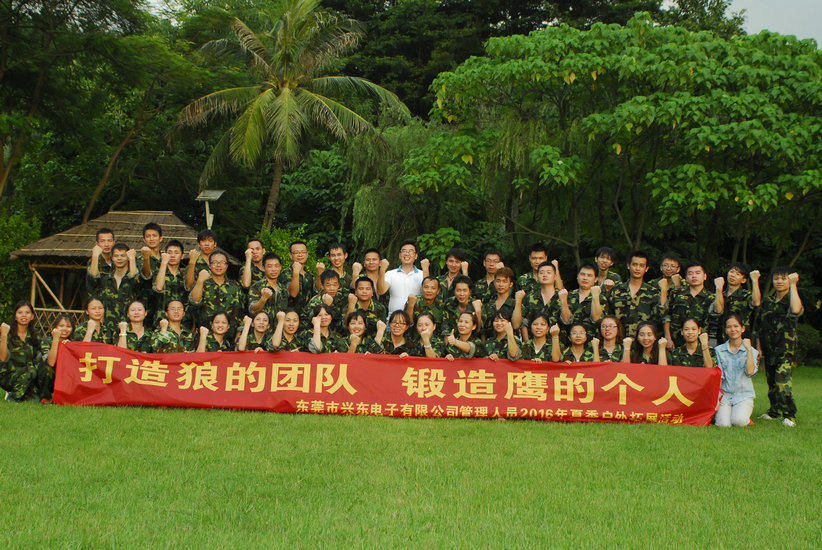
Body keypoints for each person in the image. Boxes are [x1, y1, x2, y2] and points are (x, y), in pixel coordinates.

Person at [756, 267, 803, 427]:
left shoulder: (792, 298)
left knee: (782, 381)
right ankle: (774, 411)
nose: (779, 281)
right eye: (776, 278)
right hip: (769, 349)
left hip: (786, 350)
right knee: (771, 383)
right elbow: (759, 326)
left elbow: (796, 310)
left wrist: (794, 285)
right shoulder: (767, 301)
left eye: (783, 278)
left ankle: (790, 415)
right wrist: (759, 347)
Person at [608, 250, 669, 339]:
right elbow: (609, 316)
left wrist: (663, 291)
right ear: (628, 266)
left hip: (643, 341)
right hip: (619, 340)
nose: (637, 268)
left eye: (641, 266)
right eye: (634, 265)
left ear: (646, 268)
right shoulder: (617, 290)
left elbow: (659, 316)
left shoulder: (652, 292)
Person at [0, 301, 50, 401]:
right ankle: (12, 397)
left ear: (32, 316)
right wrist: (3, 336)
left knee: (35, 400)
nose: (24, 315)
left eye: (27, 312)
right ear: (15, 316)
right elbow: (3, 358)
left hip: (29, 376)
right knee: (31, 370)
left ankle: (28, 392)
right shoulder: (8, 333)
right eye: (20, 312)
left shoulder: (36, 335)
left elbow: (47, 357)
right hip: (8, 376)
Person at [714, 314, 758, 427]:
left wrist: (748, 350)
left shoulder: (752, 351)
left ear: (742, 328)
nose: (733, 329)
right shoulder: (719, 350)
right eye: (729, 327)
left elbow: (750, 372)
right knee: (723, 425)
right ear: (726, 330)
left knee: (738, 421)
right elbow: (719, 376)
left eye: (736, 326)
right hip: (725, 394)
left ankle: (746, 419)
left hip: (744, 395)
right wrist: (716, 398)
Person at [188, 250, 245, 335]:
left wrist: (238, 334)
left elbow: (241, 312)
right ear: (210, 265)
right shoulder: (202, 283)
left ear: (227, 265)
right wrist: (200, 281)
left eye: (222, 262)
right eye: (214, 262)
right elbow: (194, 301)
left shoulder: (235, 286)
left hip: (230, 336)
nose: (218, 265)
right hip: (206, 336)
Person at [88, 242, 140, 330]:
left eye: (123, 255)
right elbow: (92, 279)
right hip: (107, 328)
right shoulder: (105, 280)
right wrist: (95, 256)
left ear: (127, 257)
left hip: (130, 329)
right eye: (116, 256)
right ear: (112, 258)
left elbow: (136, 282)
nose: (119, 258)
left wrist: (132, 259)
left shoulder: (131, 278)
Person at [518, 262, 570, 341]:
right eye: (541, 273)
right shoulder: (529, 297)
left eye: (548, 272)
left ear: (555, 276)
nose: (545, 275)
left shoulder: (563, 295)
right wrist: (527, 342)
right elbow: (523, 321)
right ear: (537, 276)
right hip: (534, 343)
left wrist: (563, 301)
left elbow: (567, 320)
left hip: (558, 343)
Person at [713, 263, 760, 344]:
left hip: (742, 340)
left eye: (738, 274)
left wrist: (755, 281)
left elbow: (756, 302)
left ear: (743, 280)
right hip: (722, 339)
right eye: (731, 272)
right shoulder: (720, 294)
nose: (733, 275)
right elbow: (718, 310)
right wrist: (718, 289)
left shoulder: (746, 295)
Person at [379, 239, 424, 315]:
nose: (407, 254)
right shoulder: (390, 274)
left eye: (410, 251)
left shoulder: (422, 274)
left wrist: (426, 270)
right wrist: (382, 270)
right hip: (394, 317)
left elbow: (426, 293)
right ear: (400, 255)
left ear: (416, 256)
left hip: (415, 317)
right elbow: (381, 291)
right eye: (404, 251)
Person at [153, 240, 188, 325]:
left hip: (182, 322)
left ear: (182, 256)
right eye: (169, 252)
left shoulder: (184, 275)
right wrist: (164, 263)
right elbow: (159, 287)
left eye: (176, 253)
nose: (172, 255)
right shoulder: (159, 272)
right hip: (161, 320)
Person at [481, 267, 522, 339]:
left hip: (509, 342)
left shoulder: (515, 304)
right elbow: (483, 330)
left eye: (504, 281)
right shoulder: (488, 305)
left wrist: (518, 301)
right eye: (498, 281)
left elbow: (516, 325)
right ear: (494, 283)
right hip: (491, 343)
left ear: (511, 284)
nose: (501, 284)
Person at [568, 262, 605, 339]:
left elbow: (596, 319)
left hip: (592, 341)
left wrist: (595, 296)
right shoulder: (568, 296)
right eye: (582, 274)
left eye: (589, 275)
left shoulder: (601, 298)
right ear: (577, 276)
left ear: (595, 279)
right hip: (570, 341)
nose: (585, 278)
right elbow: (565, 320)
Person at [248, 252, 289, 322]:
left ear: (280, 267)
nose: (273, 269)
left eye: (276, 266)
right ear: (263, 268)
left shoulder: (283, 289)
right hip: (262, 327)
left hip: (279, 327)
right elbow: (253, 310)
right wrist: (263, 298)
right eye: (269, 266)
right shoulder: (257, 286)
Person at [41, 314, 74, 398]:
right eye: (61, 326)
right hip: (51, 376)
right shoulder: (47, 341)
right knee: (46, 368)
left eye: (68, 326)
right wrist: (56, 339)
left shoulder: (74, 342)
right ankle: (46, 397)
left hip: (66, 377)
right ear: (55, 327)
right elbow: (51, 363)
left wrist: (69, 346)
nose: (65, 329)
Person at [279, 240, 315, 314]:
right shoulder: (286, 273)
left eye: (303, 252)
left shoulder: (309, 275)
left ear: (307, 254)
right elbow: (293, 293)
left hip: (307, 316)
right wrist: (296, 273)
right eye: (296, 252)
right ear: (290, 255)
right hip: (291, 316)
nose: (300, 255)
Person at [84, 227, 116, 296]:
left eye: (109, 241)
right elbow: (93, 280)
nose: (106, 244)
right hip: (98, 301)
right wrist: (95, 256)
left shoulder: (117, 262)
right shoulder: (93, 261)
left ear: (113, 242)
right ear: (97, 243)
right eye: (102, 241)